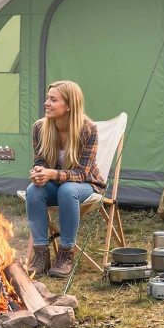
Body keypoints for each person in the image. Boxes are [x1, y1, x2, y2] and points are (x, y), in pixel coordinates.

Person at [25, 80, 105, 278]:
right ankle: (41, 254)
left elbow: (82, 174)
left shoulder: (88, 129)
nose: (46, 103)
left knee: (68, 189)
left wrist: (52, 174)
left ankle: (66, 254)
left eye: (53, 100)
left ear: (69, 106)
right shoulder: (40, 128)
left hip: (86, 185)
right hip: (55, 187)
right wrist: (39, 173)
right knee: (33, 190)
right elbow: (40, 161)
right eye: (47, 99)